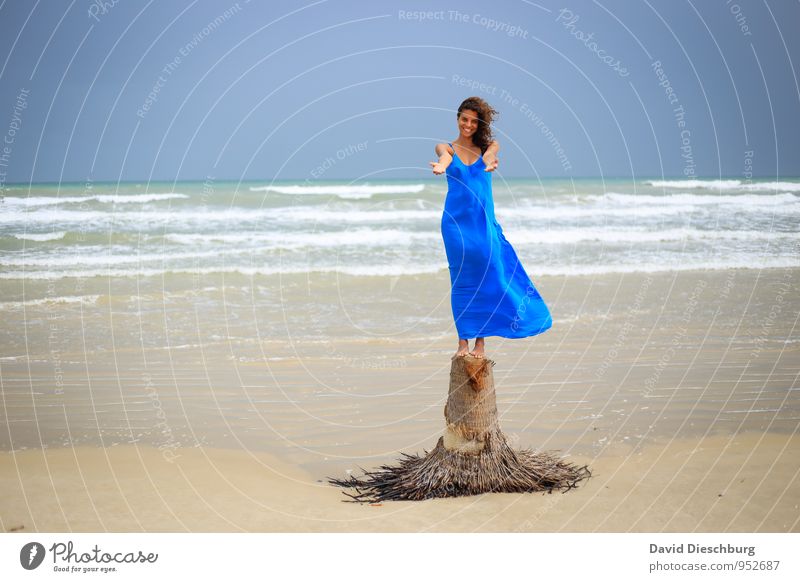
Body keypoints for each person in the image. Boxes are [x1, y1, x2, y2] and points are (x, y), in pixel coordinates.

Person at [430, 96, 553, 359]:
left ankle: (480, 345)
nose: (468, 125)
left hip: (483, 224)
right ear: (457, 118)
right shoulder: (447, 147)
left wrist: (490, 161)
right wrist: (441, 166)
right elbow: (444, 156)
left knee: (489, 276)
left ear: (480, 124)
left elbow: (491, 154)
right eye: (464, 119)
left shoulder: (490, 147)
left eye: (474, 121)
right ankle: (463, 343)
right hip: (456, 226)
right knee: (461, 281)